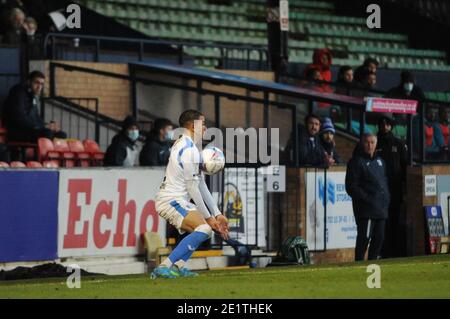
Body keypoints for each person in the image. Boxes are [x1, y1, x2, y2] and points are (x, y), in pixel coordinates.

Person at [151, 109, 229, 279]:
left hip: (177, 200)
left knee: (205, 229)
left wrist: (217, 213)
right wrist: (208, 217)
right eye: (203, 123)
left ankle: (178, 267)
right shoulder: (188, 149)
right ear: (194, 125)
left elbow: (200, 184)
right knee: (204, 227)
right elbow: (193, 188)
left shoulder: (189, 147)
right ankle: (164, 266)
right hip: (171, 200)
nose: (206, 128)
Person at [345, 133, 390, 261]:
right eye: (367, 142)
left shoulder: (380, 161)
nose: (370, 145)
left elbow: (384, 182)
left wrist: (386, 198)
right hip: (366, 211)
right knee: (364, 239)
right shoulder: (356, 162)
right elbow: (351, 187)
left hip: (381, 209)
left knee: (379, 239)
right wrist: (367, 199)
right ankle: (358, 265)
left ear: (376, 144)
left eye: (372, 142)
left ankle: (372, 265)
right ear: (361, 143)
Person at [2, 70, 67, 142]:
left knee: (62, 135)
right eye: (36, 83)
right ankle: (41, 153)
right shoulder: (18, 92)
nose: (39, 87)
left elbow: (36, 118)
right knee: (47, 133)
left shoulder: (32, 96)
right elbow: (20, 119)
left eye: (42, 84)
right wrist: (44, 127)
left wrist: (49, 125)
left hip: (31, 130)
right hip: (17, 131)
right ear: (29, 82)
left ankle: (54, 152)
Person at [376, 114, 408, 257]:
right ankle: (381, 252)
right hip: (377, 192)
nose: (385, 127)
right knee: (381, 223)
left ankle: (394, 252)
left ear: (391, 126)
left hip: (394, 191)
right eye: (382, 124)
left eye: (387, 124)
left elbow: (405, 166)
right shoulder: (374, 142)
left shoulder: (398, 143)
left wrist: (405, 188)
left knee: (394, 222)